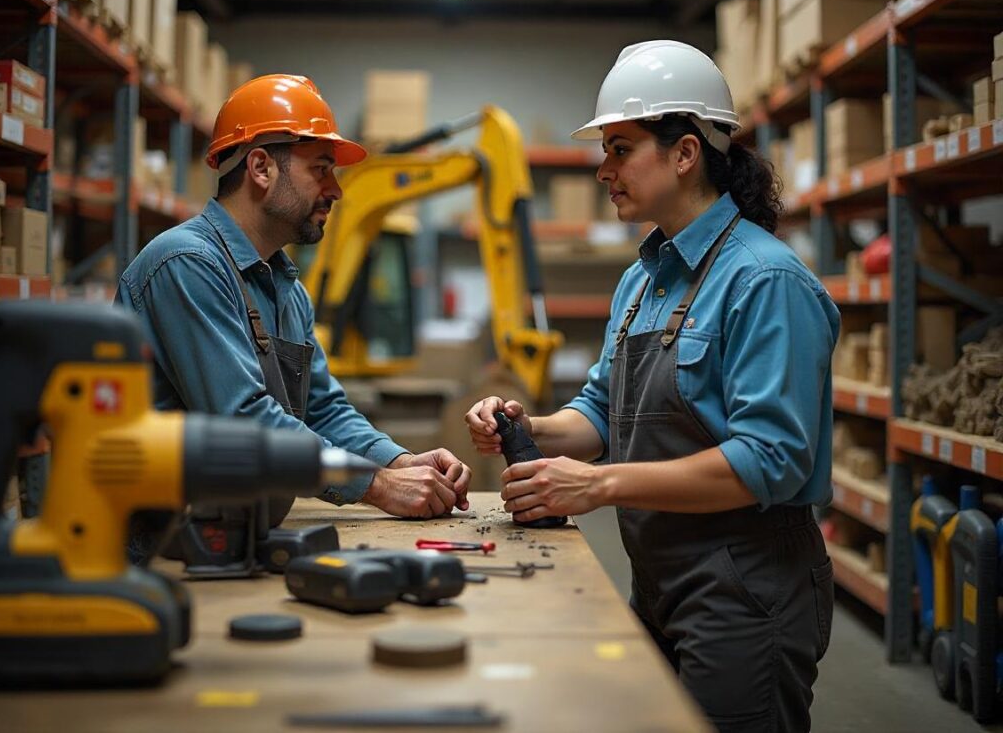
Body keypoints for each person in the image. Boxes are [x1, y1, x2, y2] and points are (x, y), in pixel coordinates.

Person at [465, 41, 839, 732]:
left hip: (746, 589)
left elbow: (770, 460)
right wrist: (529, 426)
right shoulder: (642, 280)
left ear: (685, 153)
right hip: (659, 579)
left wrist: (601, 486)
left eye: (620, 148)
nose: (603, 170)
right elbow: (605, 411)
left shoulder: (766, 282)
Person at [118, 74, 470, 521]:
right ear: (261, 168)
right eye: (321, 169)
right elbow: (242, 419)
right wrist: (379, 486)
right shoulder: (186, 264)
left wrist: (398, 462)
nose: (337, 190)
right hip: (156, 549)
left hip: (226, 542)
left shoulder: (286, 287)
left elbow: (322, 409)